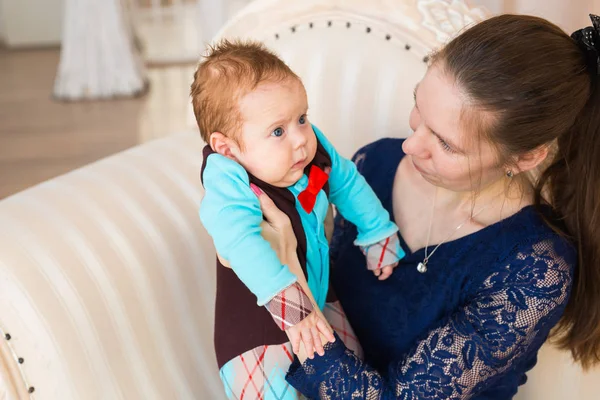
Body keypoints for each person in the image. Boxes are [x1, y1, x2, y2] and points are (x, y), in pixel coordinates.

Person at [243, 13, 600, 399]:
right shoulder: (373, 165)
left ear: (525, 157)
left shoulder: (533, 269)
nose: (410, 146)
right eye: (419, 108)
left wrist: (292, 290)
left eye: (446, 144)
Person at [190, 40, 404, 399]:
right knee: (274, 392)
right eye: (278, 131)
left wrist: (377, 230)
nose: (301, 140)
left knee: (354, 368)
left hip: (318, 290)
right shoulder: (226, 178)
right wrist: (292, 303)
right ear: (227, 147)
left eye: (302, 118)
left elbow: (346, 181)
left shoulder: (310, 146)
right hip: (257, 323)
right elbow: (238, 241)